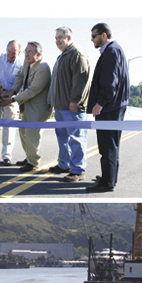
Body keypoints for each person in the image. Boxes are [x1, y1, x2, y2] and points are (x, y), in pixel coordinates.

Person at [85, 22, 130, 192]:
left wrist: (100, 103)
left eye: (94, 36)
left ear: (104, 35)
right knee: (110, 145)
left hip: (109, 108)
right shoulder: (114, 50)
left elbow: (110, 82)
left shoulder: (111, 51)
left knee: (107, 146)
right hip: (113, 107)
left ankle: (107, 183)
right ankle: (109, 177)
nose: (92, 40)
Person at [48, 26, 91, 182]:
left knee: (76, 138)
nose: (58, 41)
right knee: (63, 138)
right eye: (56, 38)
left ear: (69, 38)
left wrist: (75, 100)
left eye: (61, 37)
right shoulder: (63, 55)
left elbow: (81, 79)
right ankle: (64, 164)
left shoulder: (77, 54)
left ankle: (78, 170)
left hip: (73, 106)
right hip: (60, 106)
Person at [1, 41, 52, 171]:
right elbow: (20, 76)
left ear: (38, 54)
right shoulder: (27, 63)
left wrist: (12, 99)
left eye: (30, 52)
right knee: (23, 131)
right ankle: (29, 157)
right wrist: (12, 91)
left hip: (38, 108)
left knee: (32, 134)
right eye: (25, 51)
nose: (26, 54)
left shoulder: (43, 68)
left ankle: (33, 162)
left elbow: (33, 90)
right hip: (27, 106)